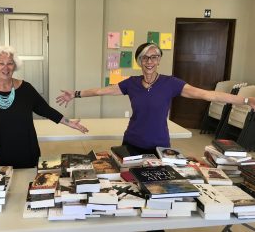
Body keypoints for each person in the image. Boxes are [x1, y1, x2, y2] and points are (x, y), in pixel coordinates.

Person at [56, 42, 255, 157]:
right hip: (132, 141)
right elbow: (102, 91)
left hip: (159, 144)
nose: (150, 61)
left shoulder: (171, 84)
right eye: (145, 58)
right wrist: (75, 94)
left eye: (154, 57)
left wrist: (245, 101)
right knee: (131, 186)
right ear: (139, 61)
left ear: (159, 60)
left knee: (156, 190)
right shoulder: (131, 83)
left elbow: (206, 94)